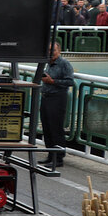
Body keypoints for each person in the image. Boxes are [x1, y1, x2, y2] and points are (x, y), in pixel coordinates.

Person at [38, 41, 74, 169]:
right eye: (48, 50)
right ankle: (50, 154)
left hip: (57, 98)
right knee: (47, 127)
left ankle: (58, 158)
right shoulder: (48, 64)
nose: (50, 53)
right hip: (46, 97)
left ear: (59, 51)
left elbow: (70, 81)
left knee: (56, 128)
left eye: (53, 50)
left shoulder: (64, 64)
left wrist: (52, 81)